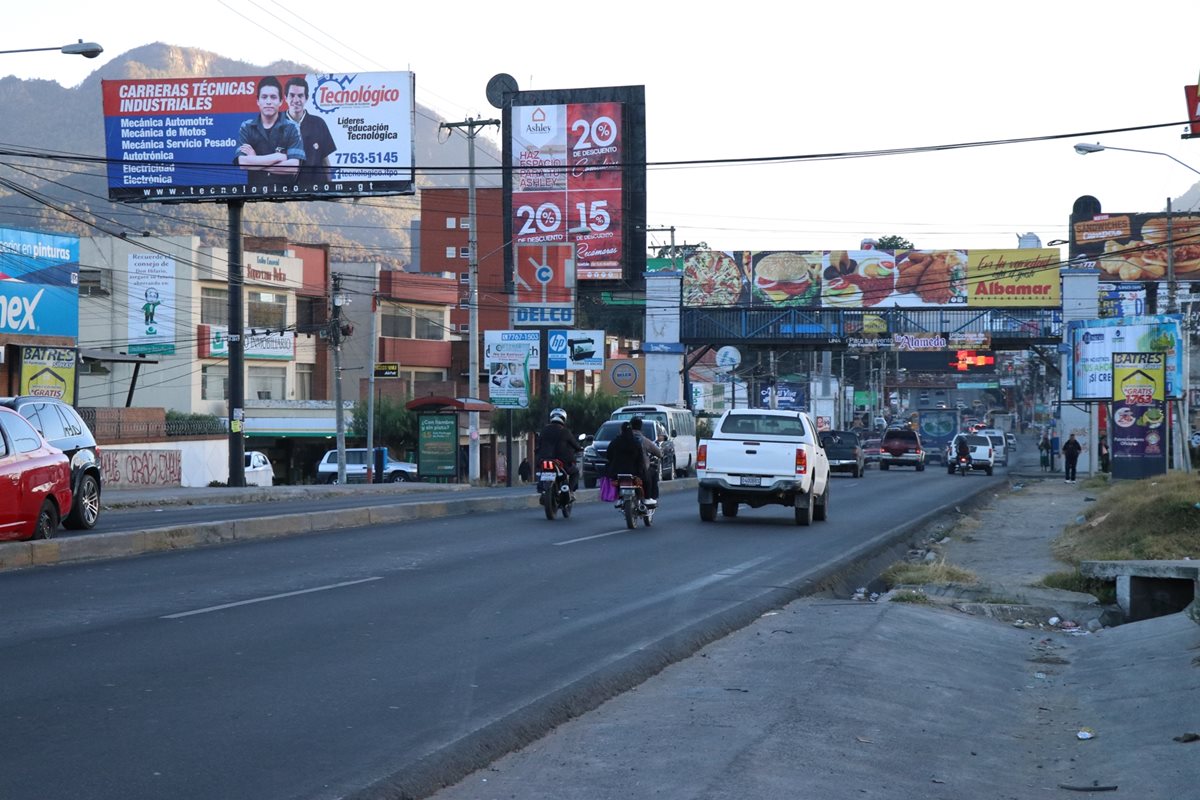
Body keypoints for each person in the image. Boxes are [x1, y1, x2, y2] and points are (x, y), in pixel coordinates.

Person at [234, 76, 304, 188]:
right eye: (264, 97)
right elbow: (243, 163)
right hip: (254, 193)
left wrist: (256, 160)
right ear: (258, 101)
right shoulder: (247, 127)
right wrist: (278, 156)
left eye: (273, 97)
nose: (268, 102)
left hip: (286, 195)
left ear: (281, 101)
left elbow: (293, 167)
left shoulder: (292, 127)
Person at [284, 76, 337, 185]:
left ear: (306, 98)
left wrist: (331, 188)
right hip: (285, 192)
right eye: (292, 95)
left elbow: (325, 161)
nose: (296, 100)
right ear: (285, 97)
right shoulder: (276, 124)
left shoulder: (318, 123)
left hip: (316, 191)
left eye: (300, 95)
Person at [536, 407, 583, 493]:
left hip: (544, 459)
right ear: (564, 418)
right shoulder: (565, 431)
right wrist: (579, 448)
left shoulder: (544, 430)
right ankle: (570, 491)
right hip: (561, 462)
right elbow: (575, 445)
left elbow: (538, 444)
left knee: (540, 471)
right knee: (575, 472)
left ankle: (541, 486)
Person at [605, 421, 647, 500]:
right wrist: (640, 473)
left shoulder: (615, 442)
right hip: (634, 472)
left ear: (621, 430)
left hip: (616, 472)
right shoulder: (636, 442)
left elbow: (608, 456)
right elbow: (640, 459)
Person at [630, 416, 662, 506]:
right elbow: (659, 453)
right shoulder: (644, 440)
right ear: (641, 427)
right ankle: (649, 498)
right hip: (640, 471)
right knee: (653, 472)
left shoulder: (623, 439)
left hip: (624, 471)